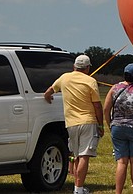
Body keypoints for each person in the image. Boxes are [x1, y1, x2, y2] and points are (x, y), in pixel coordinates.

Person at [44, 54, 104, 194]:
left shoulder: (64, 77)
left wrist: (48, 98)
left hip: (70, 123)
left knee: (75, 155)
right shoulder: (90, 81)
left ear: (74, 67)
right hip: (88, 121)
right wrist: (100, 125)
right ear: (88, 68)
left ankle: (78, 186)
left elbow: (48, 92)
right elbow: (97, 106)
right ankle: (78, 189)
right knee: (84, 155)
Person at [104, 63, 133, 194]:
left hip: (117, 127)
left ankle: (118, 192)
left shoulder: (114, 88)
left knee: (121, 162)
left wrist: (110, 124)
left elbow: (106, 109)